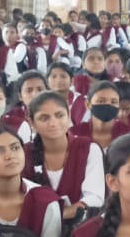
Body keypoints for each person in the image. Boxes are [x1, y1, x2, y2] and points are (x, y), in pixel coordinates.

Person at [23, 92, 106, 220]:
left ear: (68, 115)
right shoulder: (24, 153)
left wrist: (58, 216)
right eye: (44, 118)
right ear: (32, 123)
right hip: (34, 227)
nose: (53, 123)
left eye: (59, 115)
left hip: (79, 224)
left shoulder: (88, 148)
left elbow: (95, 198)